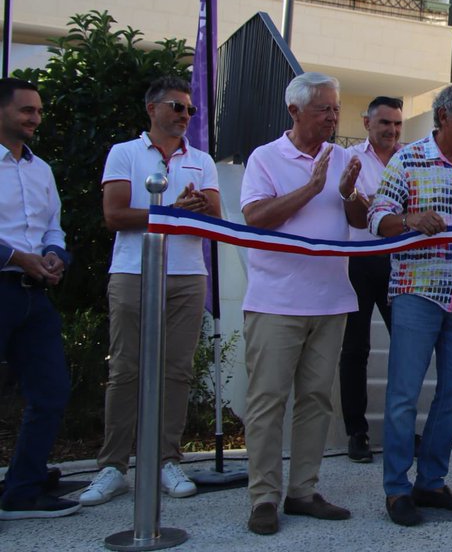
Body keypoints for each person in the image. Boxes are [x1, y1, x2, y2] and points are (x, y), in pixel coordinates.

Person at [80, 76, 221, 507]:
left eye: (190, 110)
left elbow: (216, 216)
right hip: (134, 270)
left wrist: (196, 210)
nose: (184, 116)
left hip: (187, 274)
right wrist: (172, 211)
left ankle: (165, 459)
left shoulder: (202, 160)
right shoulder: (124, 153)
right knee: (127, 368)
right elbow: (115, 214)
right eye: (177, 107)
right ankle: (113, 466)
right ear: (152, 109)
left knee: (177, 371)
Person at [370, 80, 452, 528]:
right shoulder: (407, 159)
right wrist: (408, 219)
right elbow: (377, 216)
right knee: (403, 396)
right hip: (416, 292)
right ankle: (396, 489)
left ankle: (431, 481)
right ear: (444, 116)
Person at [239, 72, 367, 535]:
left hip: (331, 300)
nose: (333, 117)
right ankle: (263, 498)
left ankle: (303, 492)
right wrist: (311, 188)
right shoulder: (265, 158)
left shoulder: (344, 156)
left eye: (336, 108)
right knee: (267, 400)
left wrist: (349, 190)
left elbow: (359, 218)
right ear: (294, 111)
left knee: (315, 399)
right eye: (323, 109)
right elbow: (255, 217)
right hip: (276, 300)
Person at [0, 78, 77, 520]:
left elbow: (53, 227)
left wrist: (54, 256)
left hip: (33, 297)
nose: (35, 118)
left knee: (50, 392)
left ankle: (22, 489)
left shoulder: (40, 169)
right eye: (26, 110)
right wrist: (15, 257)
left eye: (39, 111)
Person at [340, 96, 404, 463]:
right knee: (354, 350)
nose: (392, 131)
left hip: (399, 263)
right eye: (385, 123)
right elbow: (349, 206)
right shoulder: (350, 161)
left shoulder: (410, 161)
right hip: (359, 261)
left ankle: (399, 427)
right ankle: (357, 432)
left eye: (397, 124)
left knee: (407, 348)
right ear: (367, 123)